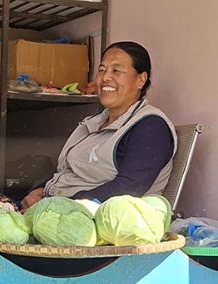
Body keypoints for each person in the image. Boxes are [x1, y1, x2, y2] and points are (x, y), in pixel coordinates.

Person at [21, 42, 176, 209]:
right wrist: (38, 190)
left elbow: (128, 188)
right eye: (102, 70)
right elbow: (64, 168)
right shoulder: (92, 123)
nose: (105, 78)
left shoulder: (150, 127)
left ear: (140, 80)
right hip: (56, 207)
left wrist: (61, 205)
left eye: (116, 70)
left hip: (94, 219)